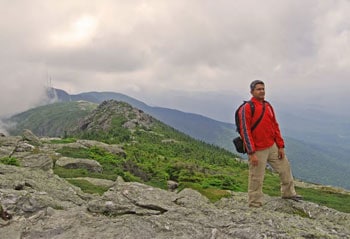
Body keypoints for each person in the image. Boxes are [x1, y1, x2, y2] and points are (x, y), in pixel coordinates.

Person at [237, 80, 302, 207]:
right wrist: (251, 153)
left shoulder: (268, 106)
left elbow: (274, 126)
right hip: (257, 149)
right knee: (257, 177)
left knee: (285, 168)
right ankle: (255, 203)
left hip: (272, 146)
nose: (261, 91)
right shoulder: (247, 108)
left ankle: (288, 193)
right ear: (252, 92)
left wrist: (280, 146)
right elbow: (245, 131)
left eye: (263, 88)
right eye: (258, 89)